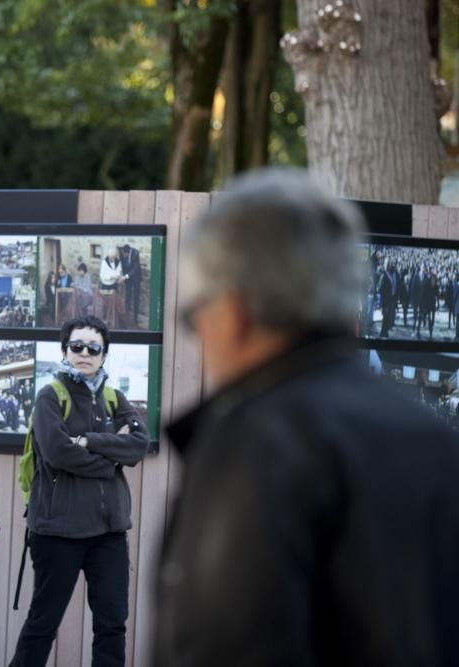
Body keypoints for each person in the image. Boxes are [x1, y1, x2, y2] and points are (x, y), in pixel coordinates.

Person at [153, 168, 459, 666]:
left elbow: (220, 644)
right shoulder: (434, 437)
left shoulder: (255, 443)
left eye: (194, 318)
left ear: (233, 311)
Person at [10, 315, 149, 667]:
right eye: (77, 346)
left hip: (109, 533)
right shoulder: (50, 397)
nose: (84, 353)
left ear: (104, 355)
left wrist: (89, 441)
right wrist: (110, 460)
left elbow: (137, 445)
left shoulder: (114, 398)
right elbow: (58, 453)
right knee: (43, 623)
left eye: (93, 348)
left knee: (112, 625)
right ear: (64, 350)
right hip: (59, 532)